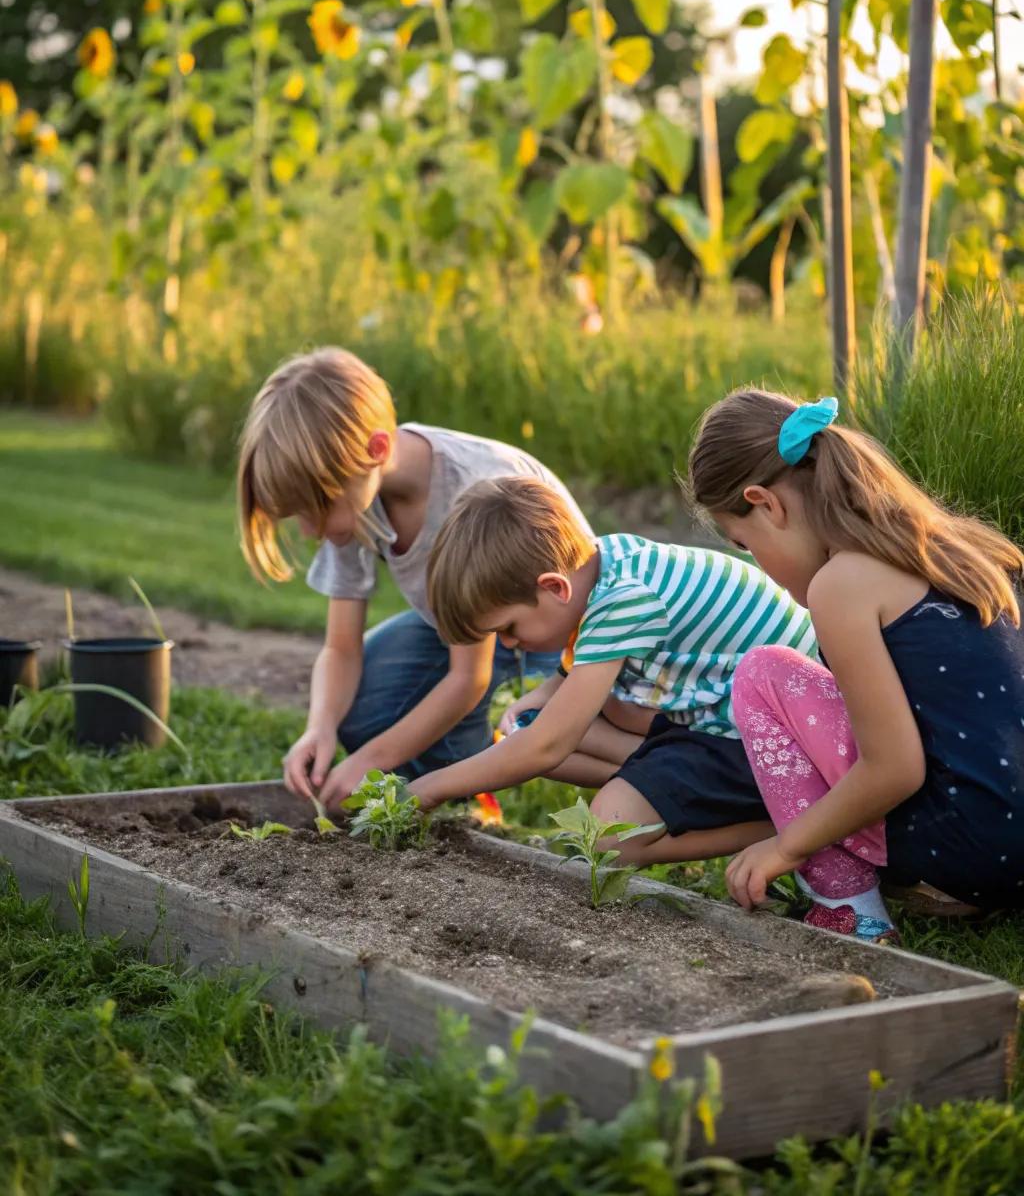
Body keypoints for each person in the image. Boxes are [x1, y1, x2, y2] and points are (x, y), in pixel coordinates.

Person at [687, 388, 1024, 942]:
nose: (758, 564)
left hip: (978, 846)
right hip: (1010, 833)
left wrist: (786, 845)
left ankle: (848, 907)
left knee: (763, 675)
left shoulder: (841, 584)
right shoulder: (960, 549)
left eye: (744, 544)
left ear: (766, 503)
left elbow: (895, 767)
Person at [238, 347, 602, 808]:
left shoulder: (470, 491)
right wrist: (320, 726)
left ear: (377, 449)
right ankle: (441, 779)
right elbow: (341, 647)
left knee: (422, 732)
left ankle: (469, 794)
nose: (311, 531)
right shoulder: (352, 484)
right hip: (458, 629)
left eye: (317, 509)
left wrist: (369, 761)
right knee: (361, 706)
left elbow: (469, 677)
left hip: (539, 626)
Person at [408, 477, 818, 866]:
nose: (508, 644)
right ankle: (662, 785)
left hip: (779, 741)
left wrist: (433, 786)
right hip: (730, 714)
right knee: (530, 727)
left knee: (608, 839)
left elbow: (547, 746)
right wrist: (544, 697)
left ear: (554, 587)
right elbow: (560, 704)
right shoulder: (600, 563)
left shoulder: (623, 601)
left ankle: (788, 825)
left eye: (509, 629)